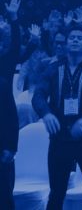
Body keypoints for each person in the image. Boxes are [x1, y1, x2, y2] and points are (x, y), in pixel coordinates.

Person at [32, 24, 82, 210]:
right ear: (66, 43)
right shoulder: (53, 69)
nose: (75, 40)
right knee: (56, 194)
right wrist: (46, 113)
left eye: (80, 38)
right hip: (60, 140)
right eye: (72, 37)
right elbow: (38, 95)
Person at [0, 76, 18, 210]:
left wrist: (11, 148)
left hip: (1, 152)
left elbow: (11, 117)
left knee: (4, 197)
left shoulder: (2, 85)